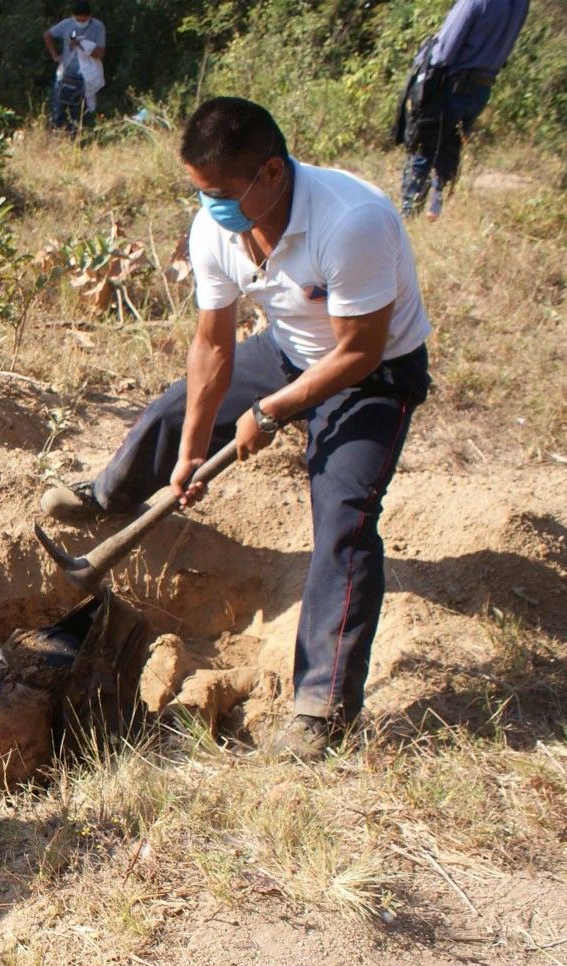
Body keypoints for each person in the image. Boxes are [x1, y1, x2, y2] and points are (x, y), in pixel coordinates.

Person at [41, 98, 432, 758]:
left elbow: (360, 350)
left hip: (375, 373)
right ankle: (111, 494)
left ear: (272, 174)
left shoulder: (353, 222)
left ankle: (323, 707)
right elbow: (213, 347)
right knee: (172, 411)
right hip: (290, 350)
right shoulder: (215, 229)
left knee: (344, 515)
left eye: (219, 192)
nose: (208, 206)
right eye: (199, 191)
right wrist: (194, 450)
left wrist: (271, 412)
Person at [398, 0, 529, 220]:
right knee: (451, 144)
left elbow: (443, 53)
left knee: (424, 144)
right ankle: (436, 204)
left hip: (451, 85)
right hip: (482, 88)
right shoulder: (521, 4)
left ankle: (409, 213)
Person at [43, 2, 107, 133]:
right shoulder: (67, 24)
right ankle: (58, 135)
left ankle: (78, 136)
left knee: (78, 111)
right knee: (58, 107)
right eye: (79, 20)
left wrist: (83, 45)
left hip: (85, 75)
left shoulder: (98, 27)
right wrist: (55, 56)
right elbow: (47, 35)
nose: (81, 23)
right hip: (66, 74)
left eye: (84, 20)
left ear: (89, 17)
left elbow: (100, 53)